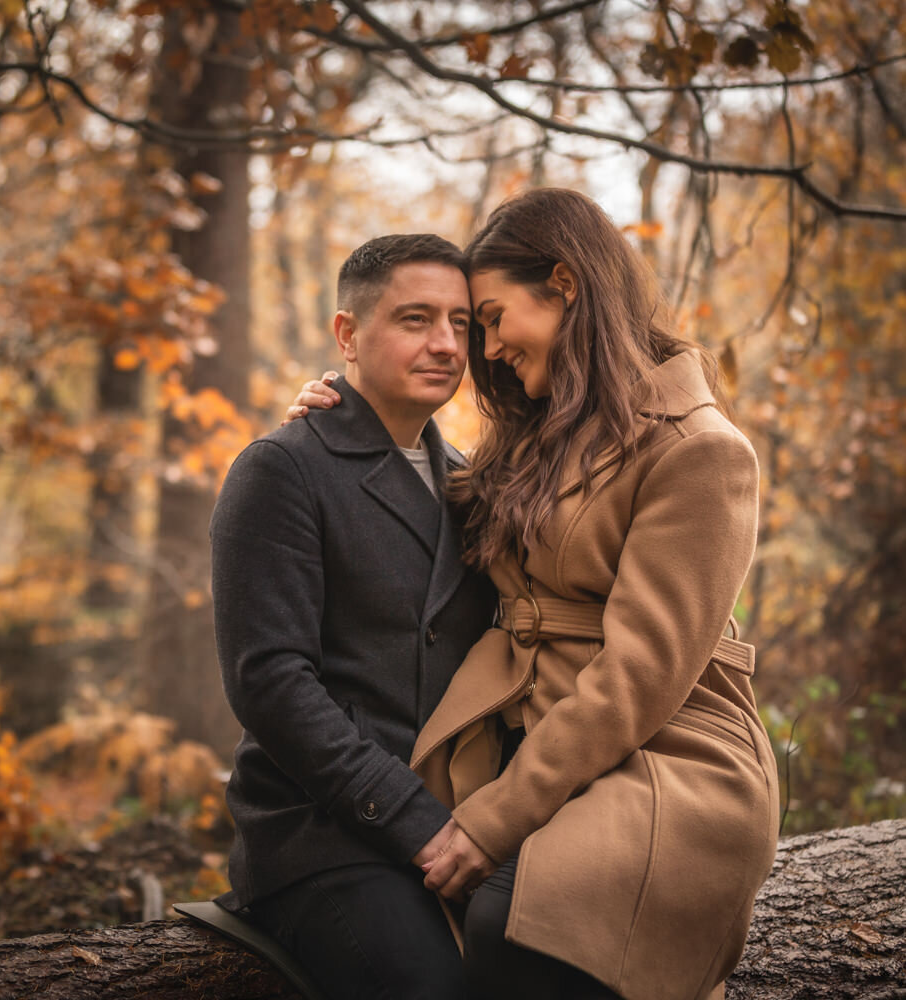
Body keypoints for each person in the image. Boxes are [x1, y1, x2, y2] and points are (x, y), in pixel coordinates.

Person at [287, 187, 779, 1000]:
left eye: (487, 317)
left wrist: (494, 819)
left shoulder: (701, 451)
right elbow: (421, 506)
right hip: (537, 735)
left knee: (516, 923)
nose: (482, 346)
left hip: (667, 752)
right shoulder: (541, 430)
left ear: (565, 285)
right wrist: (341, 423)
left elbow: (639, 678)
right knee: (418, 924)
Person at [209, 233, 499, 1000]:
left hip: (467, 822)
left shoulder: (470, 481)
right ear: (348, 335)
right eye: (415, 319)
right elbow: (271, 683)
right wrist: (413, 821)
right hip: (326, 840)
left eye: (461, 324)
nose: (445, 344)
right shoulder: (281, 469)